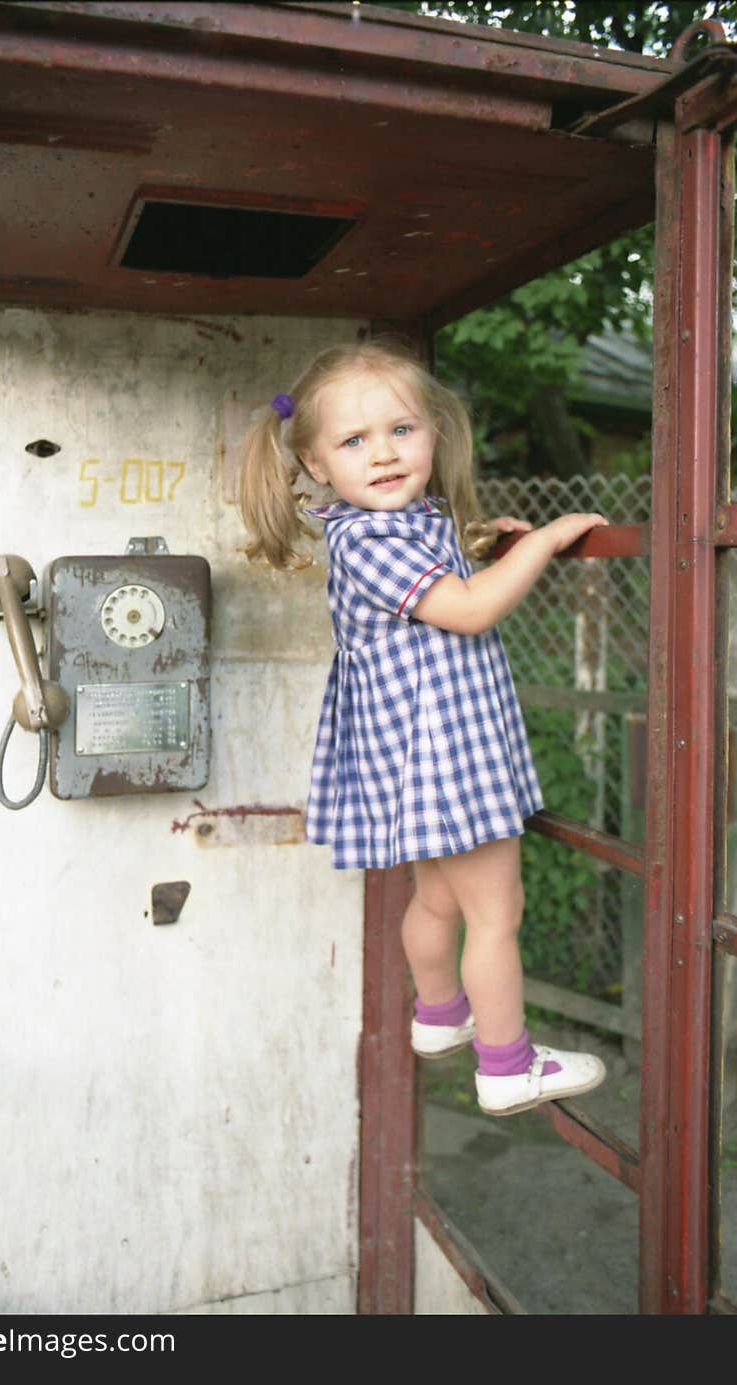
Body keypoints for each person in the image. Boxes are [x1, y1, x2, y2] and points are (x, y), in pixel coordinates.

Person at [238, 338, 607, 1117]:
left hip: (417, 753)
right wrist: (538, 543)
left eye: (402, 431)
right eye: (353, 441)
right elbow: (467, 611)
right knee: (495, 914)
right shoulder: (368, 539)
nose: (382, 454)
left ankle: (440, 1015)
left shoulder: (403, 521)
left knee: (438, 901)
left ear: (434, 434)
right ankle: (508, 1063)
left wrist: (477, 545)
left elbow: (445, 578)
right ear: (314, 463)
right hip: (447, 755)